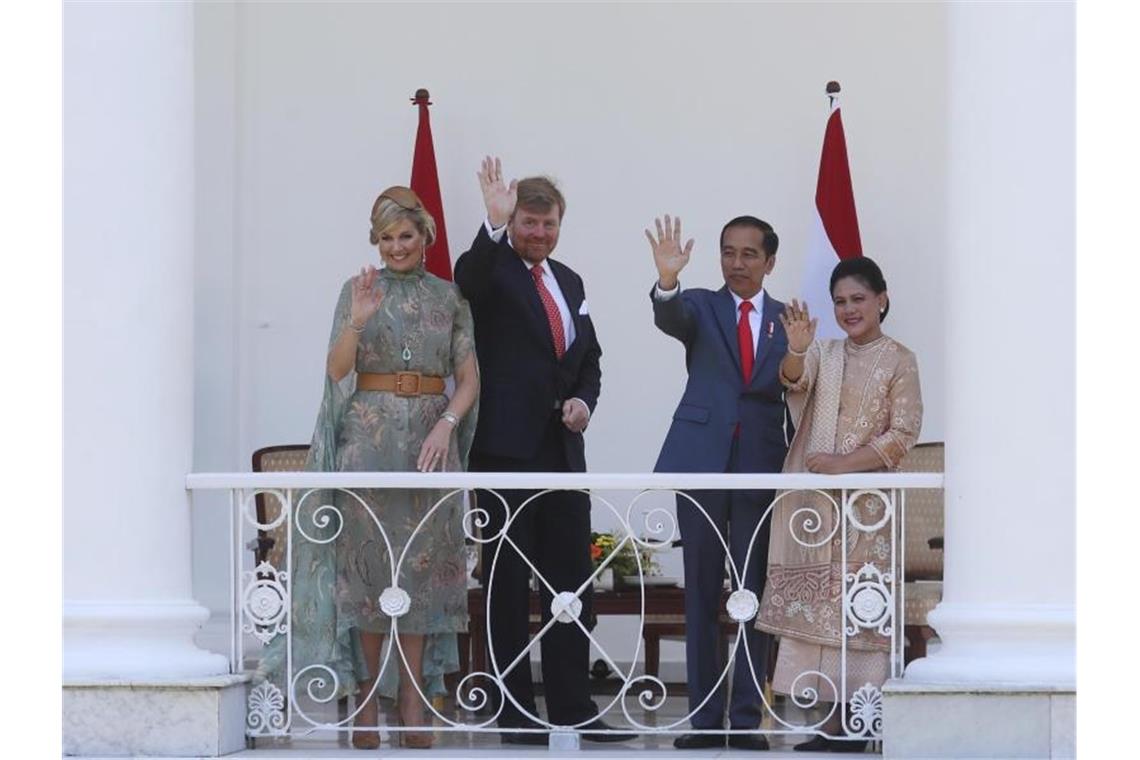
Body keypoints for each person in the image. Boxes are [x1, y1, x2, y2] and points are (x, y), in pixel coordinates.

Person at [270, 186, 480, 751]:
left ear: (424, 237)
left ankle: (411, 696)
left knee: (419, 570)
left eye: (405, 236)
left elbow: (470, 380)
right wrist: (358, 321)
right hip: (369, 439)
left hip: (433, 446)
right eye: (385, 238)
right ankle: (365, 699)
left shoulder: (450, 297)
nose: (395, 247)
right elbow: (337, 369)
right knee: (366, 572)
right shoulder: (356, 290)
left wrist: (446, 425)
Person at [454, 157, 630, 745]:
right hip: (504, 452)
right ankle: (514, 713)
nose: (539, 233)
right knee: (507, 586)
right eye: (529, 222)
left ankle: (574, 708)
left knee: (569, 586)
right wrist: (493, 223)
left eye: (547, 224)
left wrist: (584, 402)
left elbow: (589, 359)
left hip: (562, 453)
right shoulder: (493, 268)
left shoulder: (570, 281)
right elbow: (468, 281)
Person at [755, 256, 922, 754]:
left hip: (867, 507)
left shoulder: (900, 359)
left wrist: (846, 464)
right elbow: (793, 382)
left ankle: (861, 721)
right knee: (819, 608)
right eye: (841, 302)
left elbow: (904, 433)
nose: (849, 310)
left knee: (858, 608)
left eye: (859, 299)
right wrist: (795, 351)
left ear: (881, 299)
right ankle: (829, 724)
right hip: (813, 506)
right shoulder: (823, 353)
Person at [645, 213, 789, 751]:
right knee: (702, 590)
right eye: (729, 252)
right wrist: (666, 281)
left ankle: (748, 718)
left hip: (759, 462)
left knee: (752, 593)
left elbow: (794, 383)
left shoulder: (784, 318)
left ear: (769, 261)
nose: (737, 263)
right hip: (701, 459)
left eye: (749, 254)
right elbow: (671, 317)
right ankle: (704, 720)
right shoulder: (701, 305)